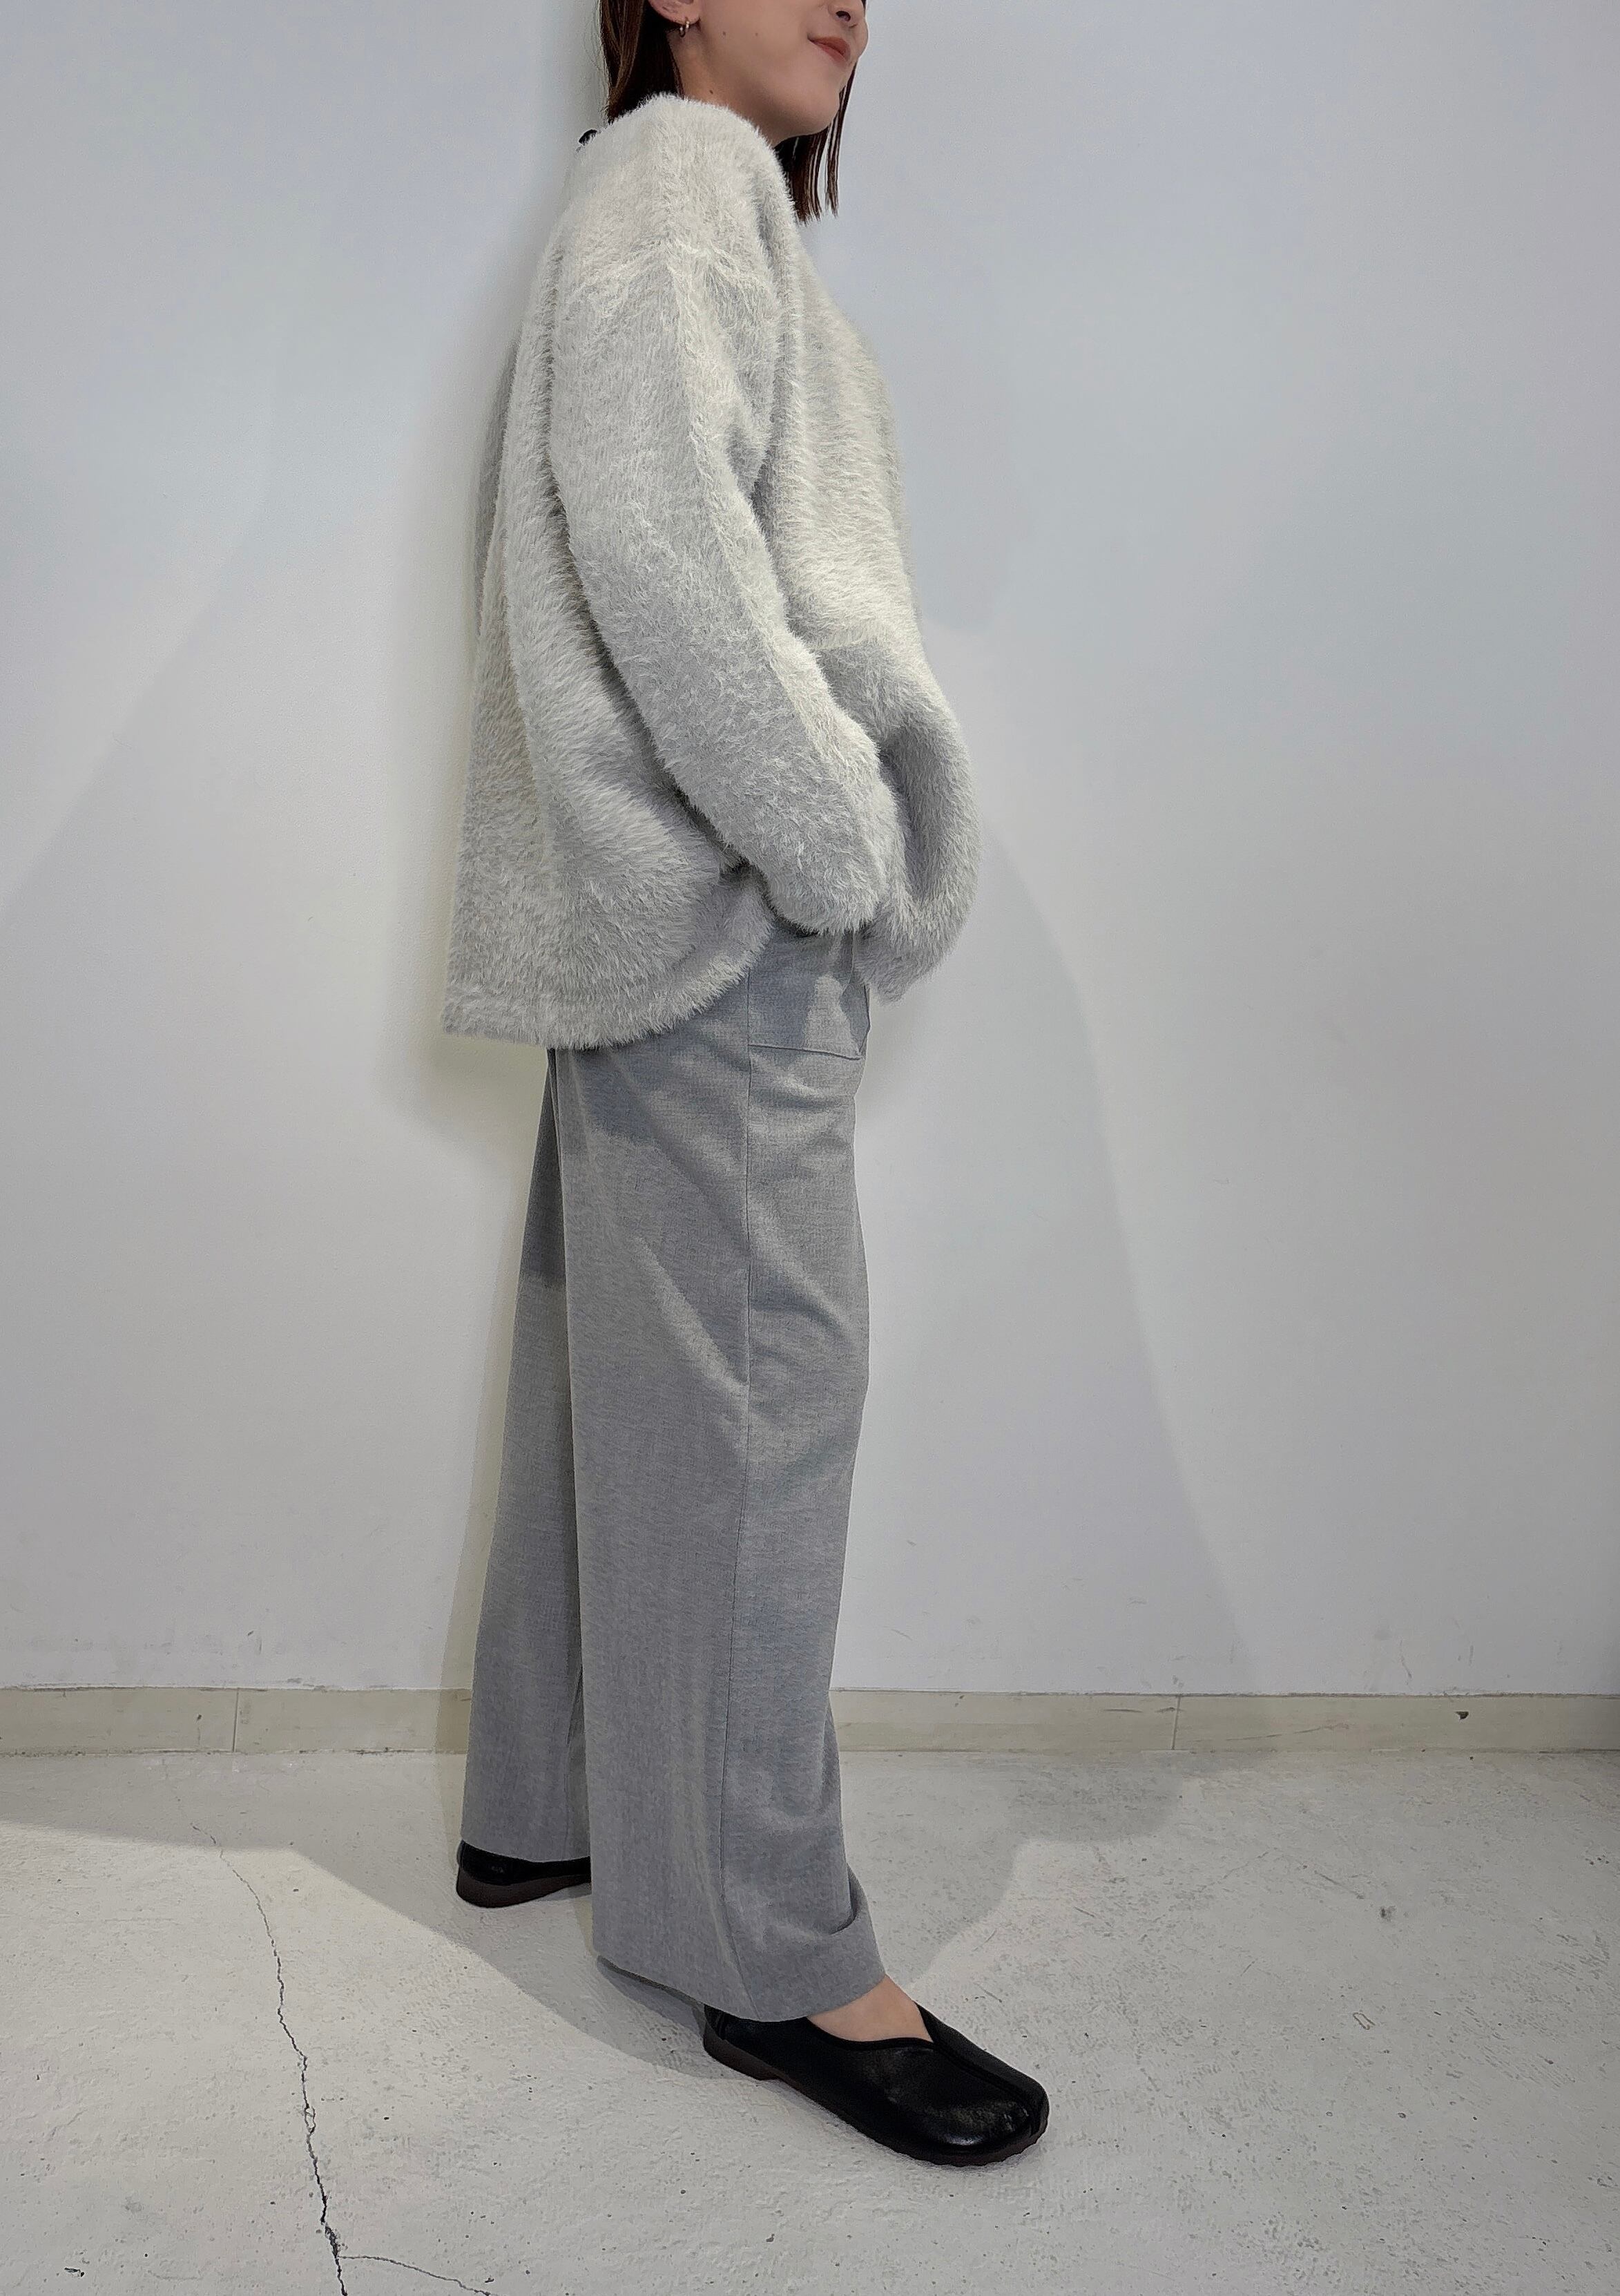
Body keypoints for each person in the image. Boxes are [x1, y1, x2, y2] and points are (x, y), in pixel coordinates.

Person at [439, 0, 1048, 2167]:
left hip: (637, 914)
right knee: (763, 1411)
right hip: (715, 912)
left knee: (616, 1394)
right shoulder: (686, 177)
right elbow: (667, 550)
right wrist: (831, 841)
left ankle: (547, 1807)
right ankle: (770, 1948)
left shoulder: (656, 199)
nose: (852, 4)